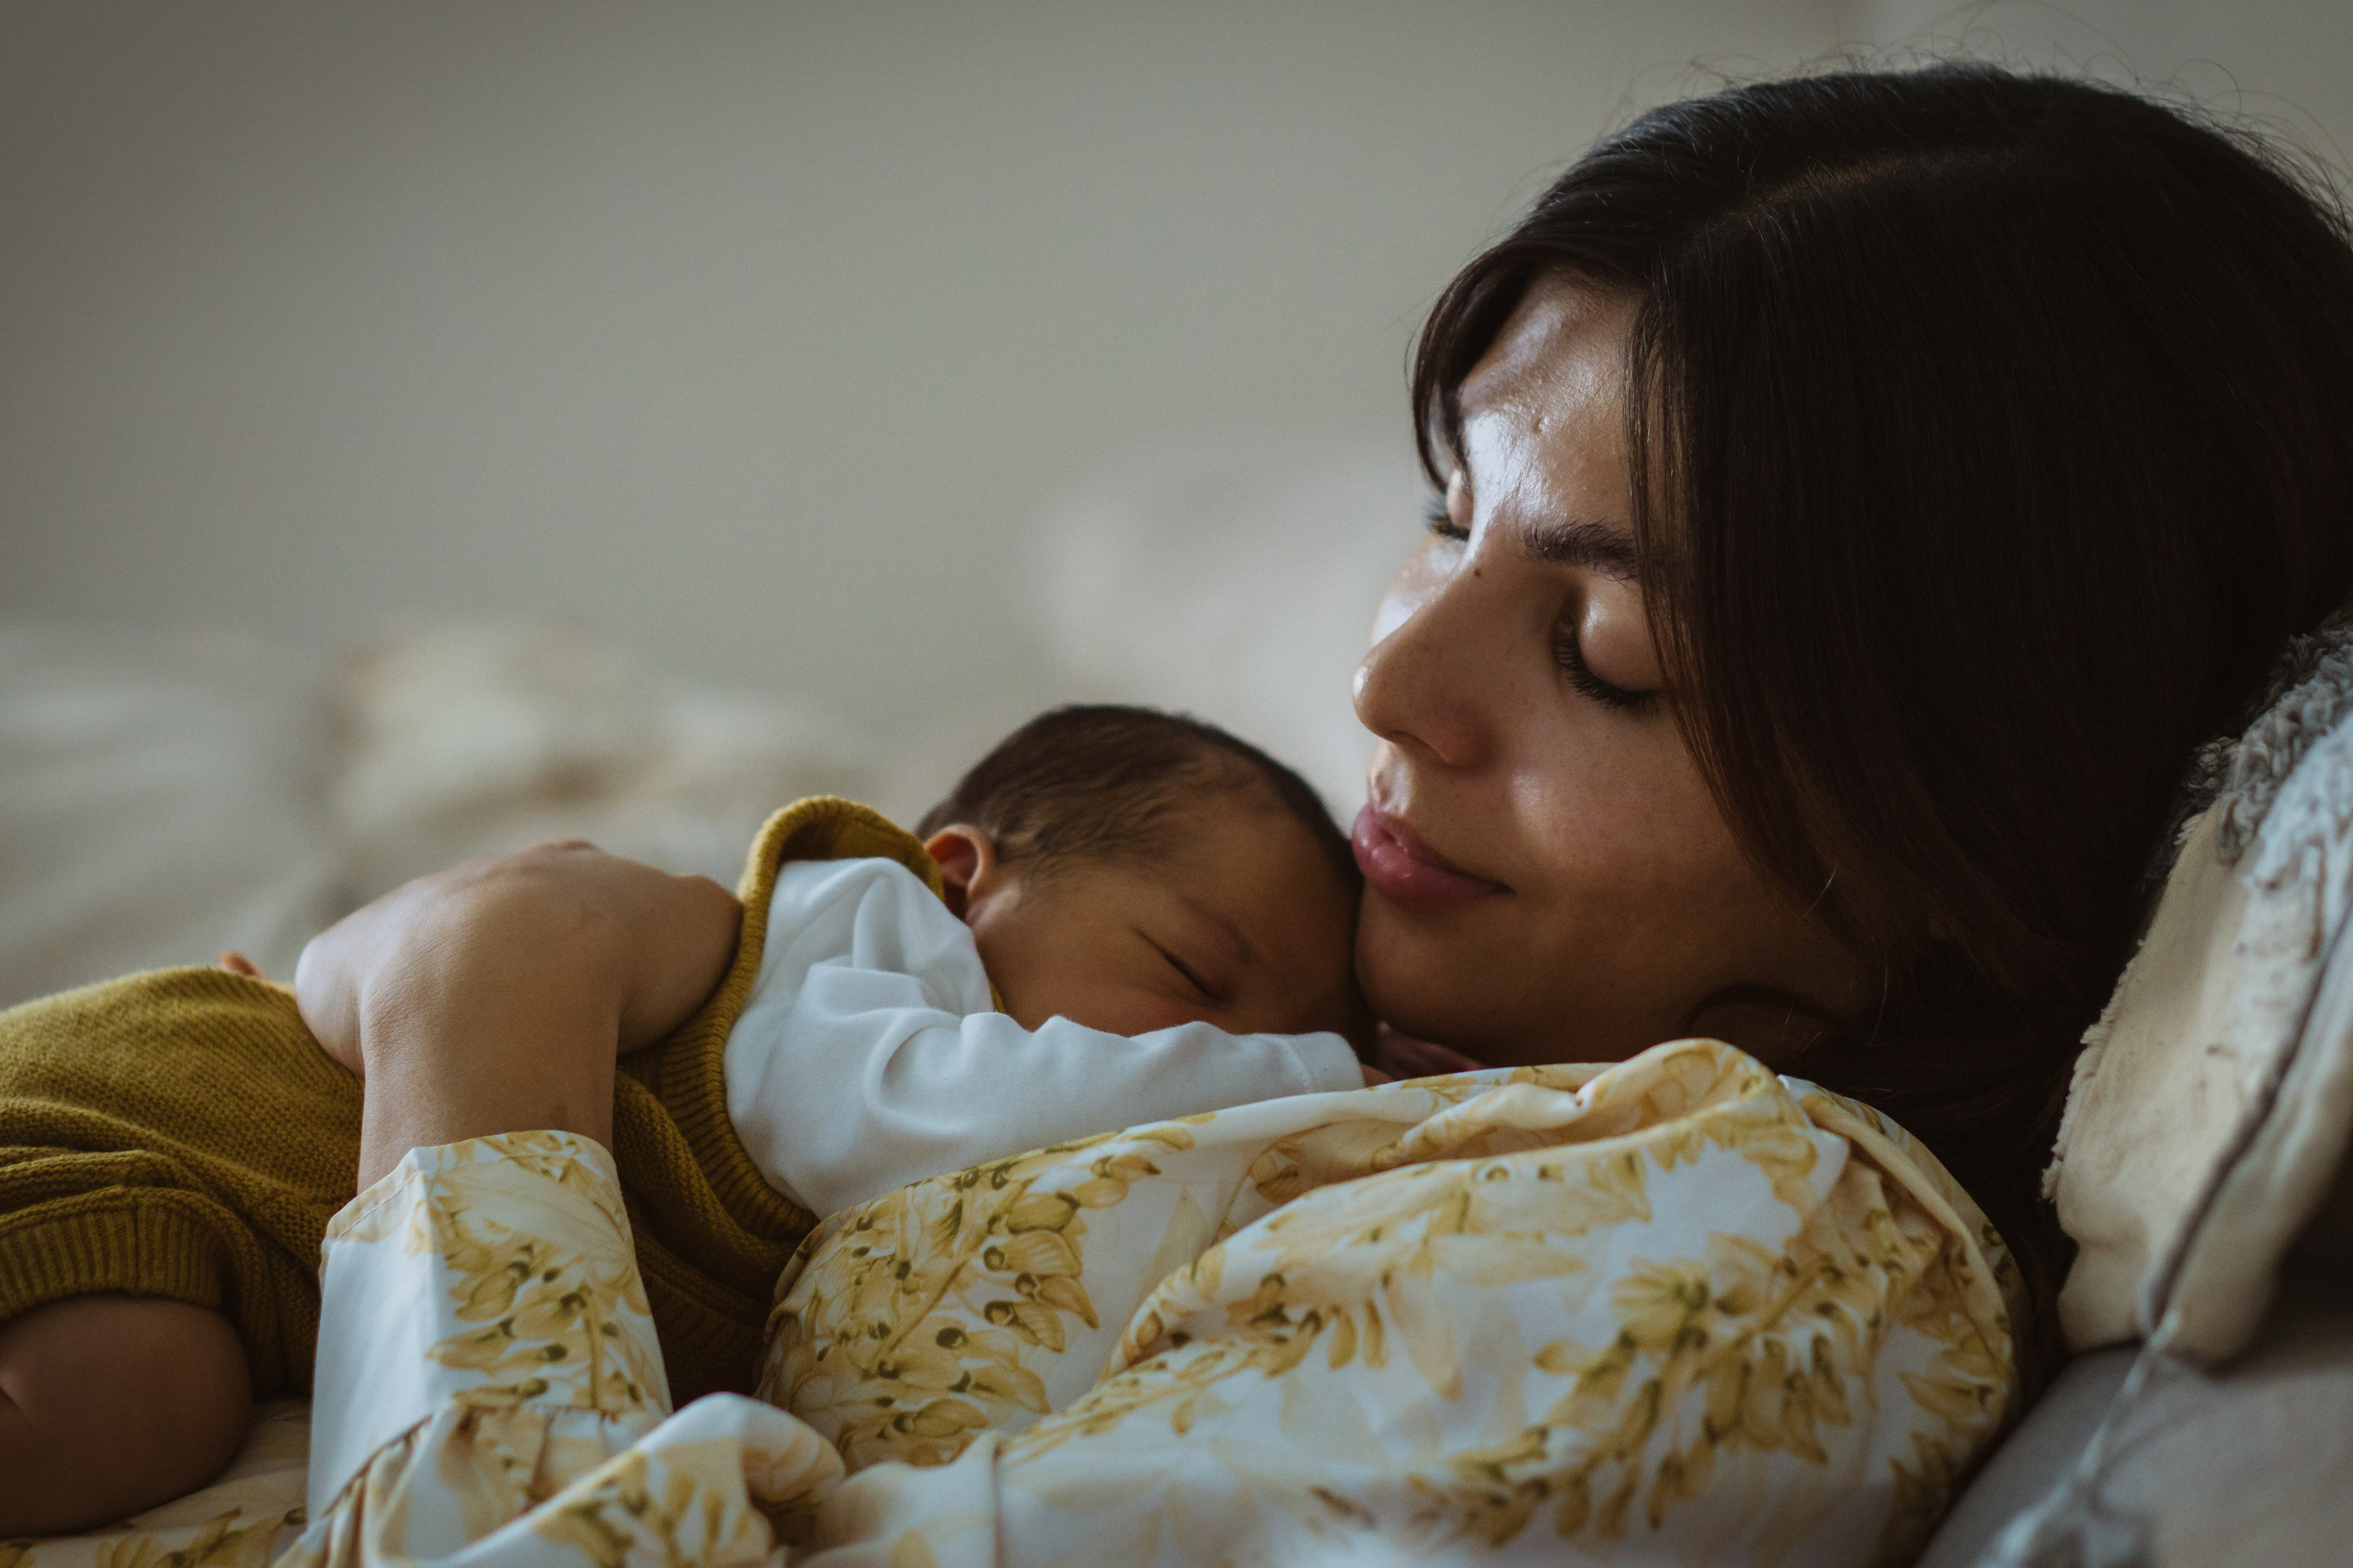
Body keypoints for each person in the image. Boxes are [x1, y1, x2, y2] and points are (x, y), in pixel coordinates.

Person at [17, 60, 2353, 1564]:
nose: (1377, 681)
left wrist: (474, 1025)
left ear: (1967, 841)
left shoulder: (1749, 1262)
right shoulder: (1401, 1038)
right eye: (1441, 519)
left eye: (1608, 656)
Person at [0, 705, 1379, 1536]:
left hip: (201, 1233)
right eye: (1199, 980)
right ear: (962, 876)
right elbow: (902, 1115)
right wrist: (1343, 1073)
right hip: (133, 1123)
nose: (1228, 1053)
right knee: (123, 1398)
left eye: (1289, 1025)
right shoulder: (854, 930)